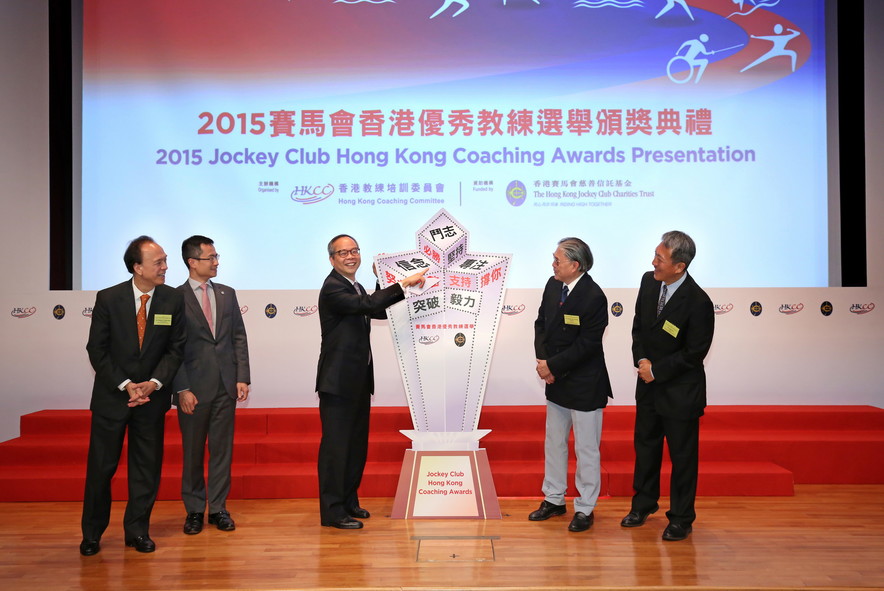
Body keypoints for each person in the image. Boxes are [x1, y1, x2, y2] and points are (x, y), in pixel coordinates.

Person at [80, 236, 185, 556]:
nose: (166, 267)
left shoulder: (172, 299)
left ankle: (137, 531)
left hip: (151, 400)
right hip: (113, 399)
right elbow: (96, 350)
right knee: (101, 468)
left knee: (146, 468)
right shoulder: (108, 298)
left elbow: (176, 348)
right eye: (159, 263)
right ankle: (92, 534)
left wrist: (153, 383)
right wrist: (126, 384)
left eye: (166, 261)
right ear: (137, 267)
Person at [315, 234, 427, 529]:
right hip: (337, 382)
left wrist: (380, 281)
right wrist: (402, 283)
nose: (350, 256)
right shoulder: (332, 288)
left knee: (355, 446)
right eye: (343, 253)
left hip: (358, 380)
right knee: (337, 448)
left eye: (354, 251)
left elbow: (374, 309)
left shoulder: (353, 286)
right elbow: (364, 305)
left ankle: (349, 501)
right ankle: (333, 511)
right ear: (332, 259)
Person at [621, 231, 714, 541]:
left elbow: (695, 352)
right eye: (655, 255)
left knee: (683, 457)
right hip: (648, 387)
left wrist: (657, 371)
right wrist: (643, 361)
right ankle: (643, 504)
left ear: (679, 266)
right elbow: (638, 328)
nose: (653, 262)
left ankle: (681, 519)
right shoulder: (649, 282)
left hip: (679, 392)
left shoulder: (698, 301)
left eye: (660, 259)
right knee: (645, 448)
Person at [529, 237, 613, 532]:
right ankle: (553, 498)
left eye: (557, 261)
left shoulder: (593, 296)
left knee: (587, 448)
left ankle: (585, 507)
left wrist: (553, 366)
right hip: (555, 379)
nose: (553, 265)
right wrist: (544, 361)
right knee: (554, 443)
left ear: (575, 265)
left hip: (584, 383)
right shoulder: (553, 286)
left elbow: (588, 345)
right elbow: (541, 324)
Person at [173, 236, 250, 535]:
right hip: (193, 389)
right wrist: (181, 388)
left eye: (217, 256)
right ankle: (194, 510)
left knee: (222, 451)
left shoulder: (227, 293)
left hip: (225, 386)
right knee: (192, 452)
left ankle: (218, 508)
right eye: (211, 257)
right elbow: (172, 348)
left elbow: (238, 337)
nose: (217, 262)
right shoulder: (174, 297)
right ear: (193, 262)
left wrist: (242, 376)